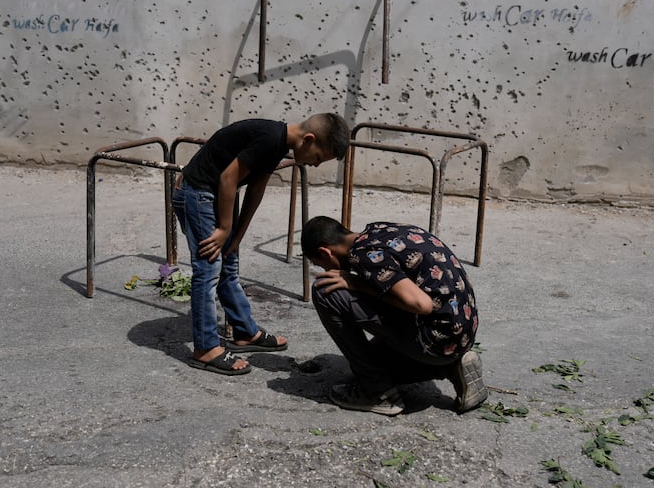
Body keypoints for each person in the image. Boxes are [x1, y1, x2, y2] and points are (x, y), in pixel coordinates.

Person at [173, 114, 350, 376]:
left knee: (229, 264)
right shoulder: (269, 139)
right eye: (317, 158)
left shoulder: (277, 145)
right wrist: (223, 228)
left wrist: (237, 234)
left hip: (217, 196)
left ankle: (245, 332)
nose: (314, 164)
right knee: (208, 270)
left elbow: (256, 188)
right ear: (308, 140)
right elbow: (228, 178)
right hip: (198, 194)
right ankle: (205, 348)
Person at [300, 216, 487, 416]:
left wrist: (358, 284)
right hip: (460, 332)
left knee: (325, 291)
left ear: (325, 252)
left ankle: (378, 392)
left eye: (321, 265)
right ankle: (451, 366)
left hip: (434, 339)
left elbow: (421, 304)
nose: (328, 270)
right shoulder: (379, 230)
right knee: (373, 361)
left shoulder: (364, 256)